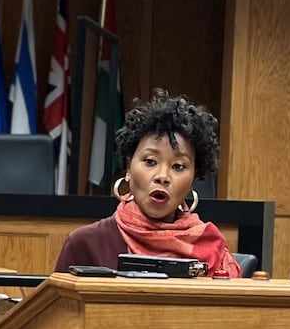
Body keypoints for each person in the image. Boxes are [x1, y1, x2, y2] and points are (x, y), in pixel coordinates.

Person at [54, 90, 241, 277]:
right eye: (150, 161)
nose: (162, 176)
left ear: (193, 179)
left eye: (178, 166)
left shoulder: (211, 246)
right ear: (128, 167)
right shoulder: (85, 244)